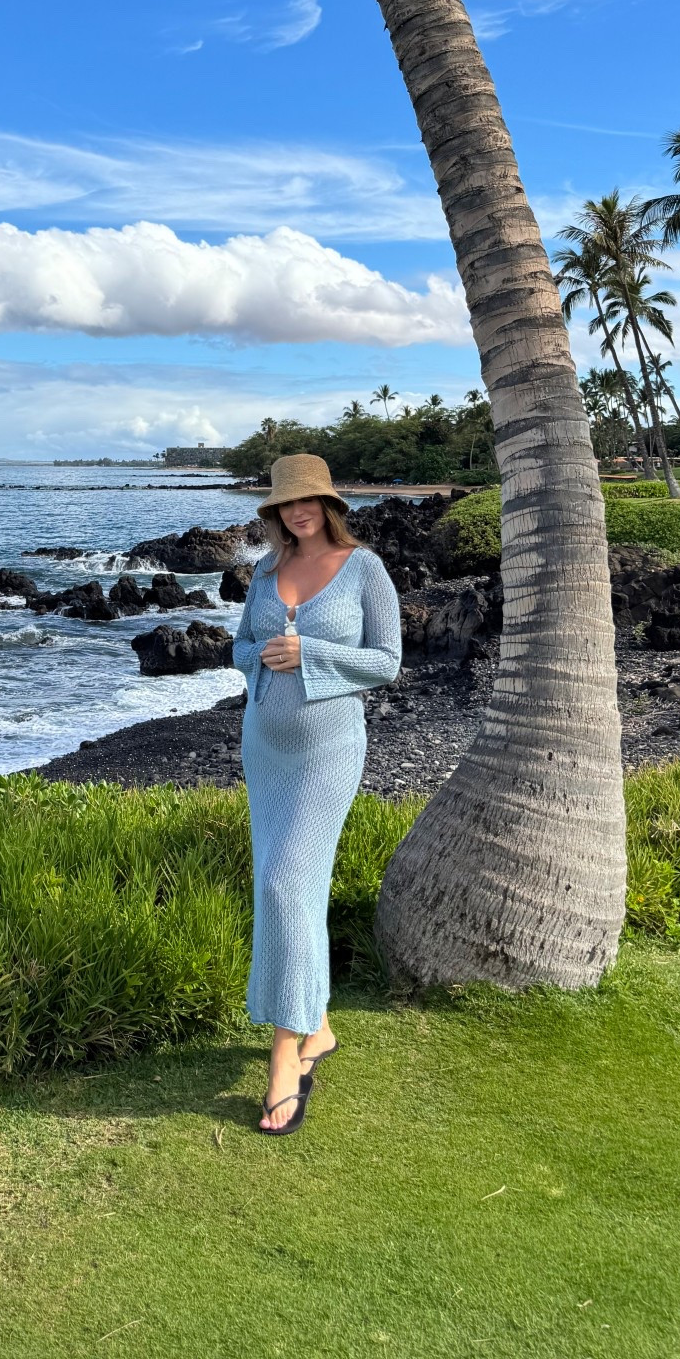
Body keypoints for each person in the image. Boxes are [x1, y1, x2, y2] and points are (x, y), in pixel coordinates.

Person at [231, 454, 402, 1135]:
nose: (296, 514)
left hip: (328, 752)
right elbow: (241, 648)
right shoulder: (266, 573)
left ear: (329, 504)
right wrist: (266, 656)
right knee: (290, 889)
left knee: (283, 884)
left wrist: (311, 657)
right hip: (265, 749)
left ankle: (284, 1054)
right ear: (273, 514)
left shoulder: (365, 569)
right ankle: (318, 1026)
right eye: (283, 507)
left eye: (307, 503)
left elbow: (387, 662)